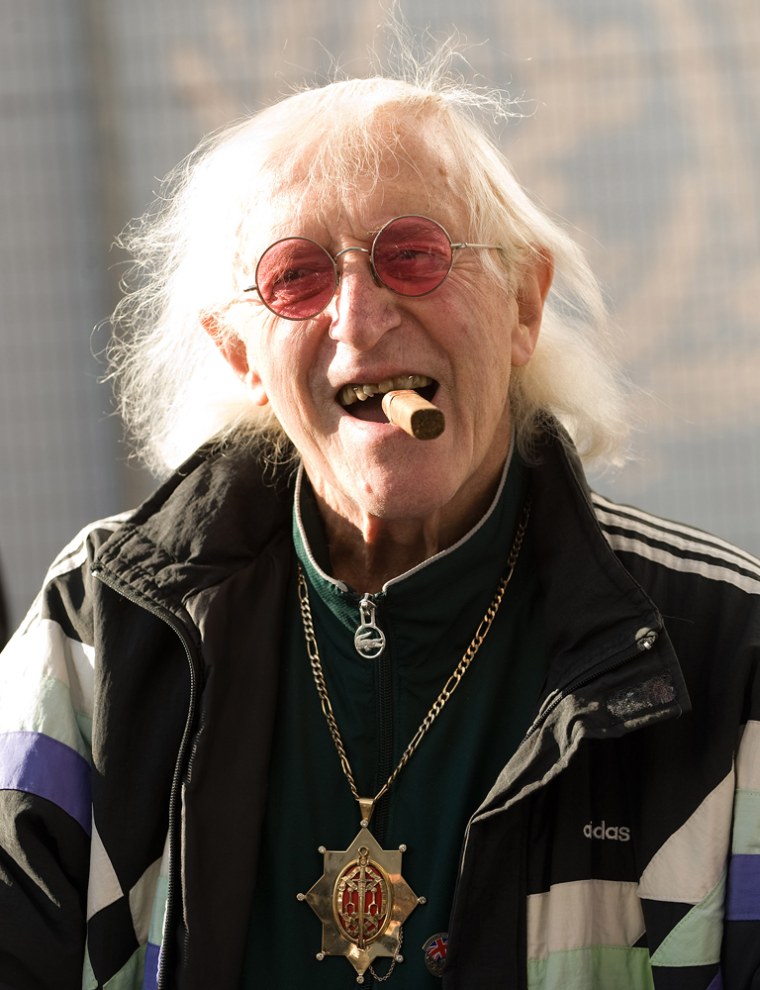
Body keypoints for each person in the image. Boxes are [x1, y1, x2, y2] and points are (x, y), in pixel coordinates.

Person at [0, 51, 758, 990]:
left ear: (523, 302)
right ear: (240, 354)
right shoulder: (101, 628)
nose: (359, 320)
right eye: (296, 277)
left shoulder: (730, 650)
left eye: (413, 254)